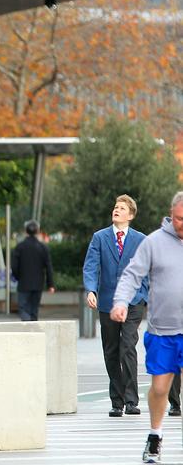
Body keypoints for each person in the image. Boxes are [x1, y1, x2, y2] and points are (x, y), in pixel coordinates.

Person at [111, 191, 183, 464]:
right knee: (160, 389)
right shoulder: (154, 243)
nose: (181, 224)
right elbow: (132, 274)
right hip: (163, 330)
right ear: (171, 213)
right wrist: (121, 301)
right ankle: (155, 435)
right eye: (178, 219)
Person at [83, 194, 148, 418]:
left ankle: (131, 400)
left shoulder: (140, 240)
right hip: (107, 302)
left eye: (121, 208)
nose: (116, 210)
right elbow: (91, 266)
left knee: (127, 347)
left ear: (130, 215)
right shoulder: (99, 238)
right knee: (111, 350)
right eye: (115, 207)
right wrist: (91, 289)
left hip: (133, 302)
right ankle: (117, 401)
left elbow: (148, 268)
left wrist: (144, 294)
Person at [11, 220, 55, 322]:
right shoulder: (43, 247)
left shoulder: (19, 247)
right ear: (38, 231)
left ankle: (27, 327)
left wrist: (17, 277)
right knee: (34, 309)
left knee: (23, 308)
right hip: (38, 284)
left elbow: (14, 266)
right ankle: (33, 329)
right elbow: (48, 267)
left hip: (23, 283)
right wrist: (50, 285)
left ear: (26, 231)